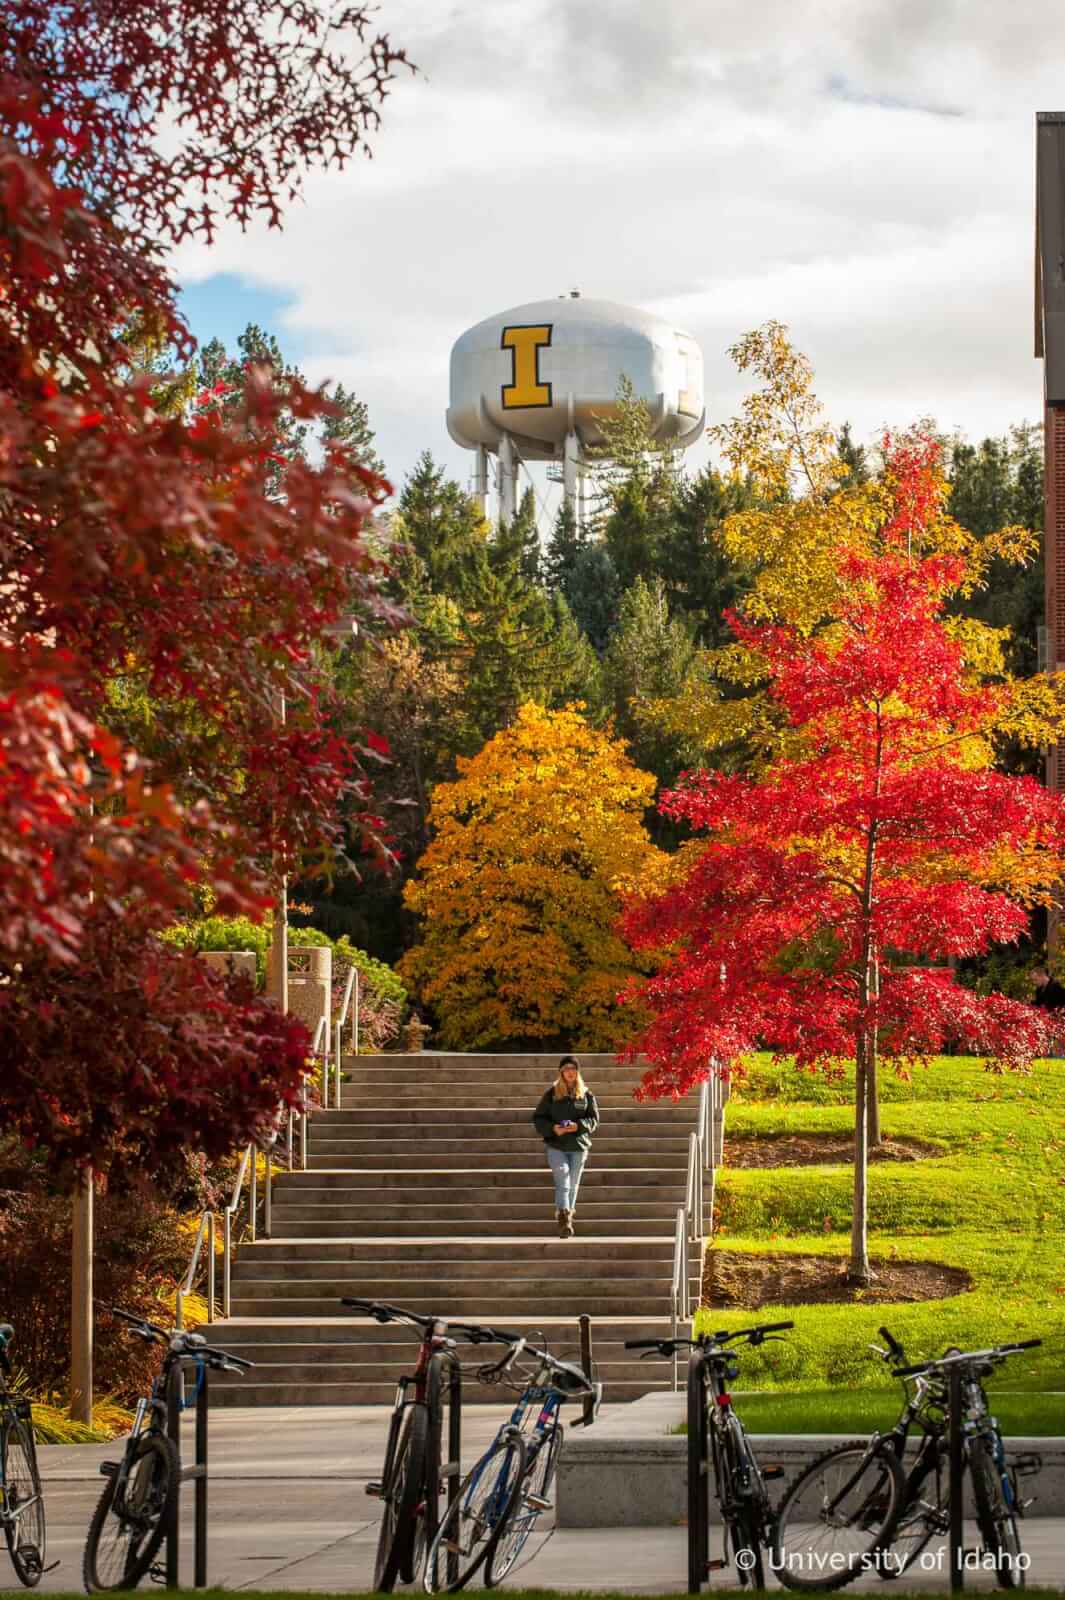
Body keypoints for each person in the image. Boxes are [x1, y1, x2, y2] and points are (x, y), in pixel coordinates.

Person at [532, 1055, 599, 1238]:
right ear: (561, 1072)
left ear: (577, 1072)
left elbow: (594, 1120)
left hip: (578, 1145)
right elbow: (538, 1118)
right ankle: (564, 1218)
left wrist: (579, 1126)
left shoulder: (586, 1094)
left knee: (573, 1184)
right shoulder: (551, 1094)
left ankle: (566, 1220)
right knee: (563, 1180)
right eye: (566, 1068)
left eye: (573, 1068)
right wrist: (553, 1128)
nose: (570, 1072)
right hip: (557, 1145)